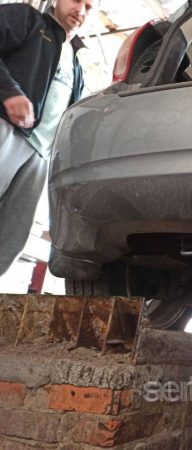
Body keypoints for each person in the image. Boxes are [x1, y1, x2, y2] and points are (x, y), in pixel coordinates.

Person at [0, 0, 95, 276]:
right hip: (7, 130)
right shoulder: (28, 20)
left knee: (12, 233)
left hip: (41, 156)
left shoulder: (76, 64)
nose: (81, 10)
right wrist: (9, 93)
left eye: (89, 7)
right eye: (76, 0)